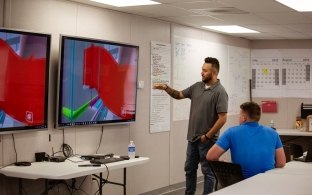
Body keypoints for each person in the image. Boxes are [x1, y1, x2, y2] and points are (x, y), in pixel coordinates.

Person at [153, 57, 228, 195]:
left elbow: (223, 118)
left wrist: (208, 135)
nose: (202, 73)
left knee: (208, 173)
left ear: (215, 72)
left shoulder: (220, 92)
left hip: (207, 141)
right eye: (202, 70)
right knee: (189, 169)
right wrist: (166, 88)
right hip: (192, 139)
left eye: (205, 71)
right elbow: (179, 94)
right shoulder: (197, 87)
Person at [206, 101, 286, 179]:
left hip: (242, 182)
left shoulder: (231, 132)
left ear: (244, 118)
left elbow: (210, 156)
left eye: (240, 115)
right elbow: (281, 163)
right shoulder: (273, 133)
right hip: (267, 181)